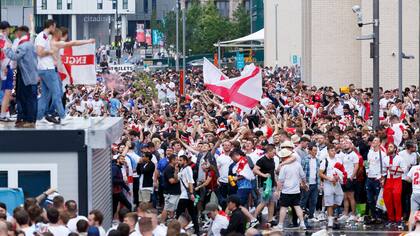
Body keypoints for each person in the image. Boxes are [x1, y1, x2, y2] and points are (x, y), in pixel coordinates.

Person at [4, 25, 38, 128]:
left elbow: (15, 56)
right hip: (29, 74)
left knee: (28, 98)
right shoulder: (30, 43)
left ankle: (30, 120)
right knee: (25, 98)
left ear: (22, 32)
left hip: (26, 75)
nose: (15, 34)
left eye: (17, 32)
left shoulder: (24, 45)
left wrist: (6, 49)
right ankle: (26, 119)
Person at [36, 19, 65, 124]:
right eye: (54, 26)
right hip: (47, 69)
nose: (55, 29)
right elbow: (39, 52)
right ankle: (63, 115)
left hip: (45, 69)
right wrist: (51, 52)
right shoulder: (42, 37)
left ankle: (39, 117)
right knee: (57, 93)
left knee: (45, 95)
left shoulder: (45, 37)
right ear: (51, 26)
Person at [274, 148, 308, 231]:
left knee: (283, 207)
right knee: (297, 206)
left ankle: (280, 225)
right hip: (296, 190)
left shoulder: (284, 166)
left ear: (284, 157)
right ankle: (302, 223)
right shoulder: (297, 164)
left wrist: (278, 191)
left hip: (286, 191)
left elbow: (280, 181)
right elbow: (303, 176)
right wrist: (305, 184)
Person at [319, 144, 345, 228]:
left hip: (337, 183)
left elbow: (342, 172)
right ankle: (330, 219)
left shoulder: (338, 160)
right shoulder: (325, 161)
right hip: (328, 184)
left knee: (339, 199)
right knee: (329, 202)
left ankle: (328, 212)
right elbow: (320, 173)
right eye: (332, 150)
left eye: (334, 150)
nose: (334, 152)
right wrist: (328, 178)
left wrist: (339, 177)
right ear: (328, 151)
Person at [382, 142, 405, 229]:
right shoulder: (385, 159)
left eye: (391, 147)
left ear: (395, 149)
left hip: (397, 180)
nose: (389, 148)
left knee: (397, 199)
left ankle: (398, 218)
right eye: (388, 147)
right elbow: (384, 171)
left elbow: (404, 169)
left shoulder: (400, 158)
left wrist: (393, 170)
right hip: (388, 180)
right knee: (387, 199)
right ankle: (391, 218)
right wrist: (382, 178)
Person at [253, 144, 277, 224]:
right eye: (273, 152)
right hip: (264, 185)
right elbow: (255, 170)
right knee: (263, 202)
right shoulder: (262, 160)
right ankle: (253, 219)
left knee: (272, 202)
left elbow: (272, 171)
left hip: (272, 184)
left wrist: (276, 183)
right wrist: (264, 175)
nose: (274, 154)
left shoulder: (272, 159)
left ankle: (270, 220)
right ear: (269, 151)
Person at [175, 155, 199, 235]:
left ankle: (174, 230)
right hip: (184, 194)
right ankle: (197, 230)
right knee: (192, 213)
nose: (179, 161)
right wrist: (176, 170)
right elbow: (176, 179)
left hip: (186, 195)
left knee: (178, 213)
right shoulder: (182, 169)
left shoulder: (188, 169)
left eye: (181, 160)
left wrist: (191, 193)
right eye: (179, 160)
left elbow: (190, 182)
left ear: (185, 161)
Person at [337, 139, 359, 222]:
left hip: (350, 178)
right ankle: (346, 214)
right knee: (345, 196)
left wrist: (352, 177)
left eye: (347, 143)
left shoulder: (354, 155)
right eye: (344, 143)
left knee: (351, 196)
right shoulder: (342, 155)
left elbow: (356, 166)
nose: (345, 144)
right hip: (343, 178)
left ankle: (353, 214)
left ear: (351, 145)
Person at [365, 137, 386, 224]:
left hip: (377, 178)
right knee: (370, 199)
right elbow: (367, 162)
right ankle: (373, 216)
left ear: (379, 143)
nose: (373, 142)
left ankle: (379, 216)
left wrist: (382, 177)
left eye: (376, 141)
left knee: (378, 198)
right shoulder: (369, 153)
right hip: (369, 178)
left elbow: (384, 166)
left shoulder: (382, 154)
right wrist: (366, 170)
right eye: (373, 140)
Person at [300, 142, 320, 222]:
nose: (316, 152)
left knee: (314, 201)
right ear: (310, 151)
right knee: (303, 201)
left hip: (314, 183)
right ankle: (300, 217)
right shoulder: (305, 159)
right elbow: (301, 172)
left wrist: (319, 184)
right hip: (306, 183)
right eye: (314, 150)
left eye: (316, 150)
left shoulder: (317, 160)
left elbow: (318, 173)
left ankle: (311, 216)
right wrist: (303, 183)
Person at [161, 154, 180, 222]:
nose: (178, 161)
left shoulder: (174, 168)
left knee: (172, 209)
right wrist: (179, 179)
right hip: (170, 192)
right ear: (172, 160)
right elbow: (171, 181)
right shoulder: (168, 168)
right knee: (167, 208)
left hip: (174, 192)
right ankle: (162, 223)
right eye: (177, 159)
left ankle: (171, 221)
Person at [0, 21, 13, 122]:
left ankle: (6, 113)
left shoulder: (5, 38)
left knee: (7, 91)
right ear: (6, 29)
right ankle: (3, 114)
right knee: (7, 91)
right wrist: (2, 66)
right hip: (4, 67)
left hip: (7, 66)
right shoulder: (1, 37)